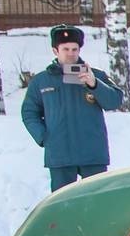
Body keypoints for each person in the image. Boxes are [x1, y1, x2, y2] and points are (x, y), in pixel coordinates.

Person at [21, 24, 124, 191]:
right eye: (66, 49)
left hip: (92, 153)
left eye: (75, 49)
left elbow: (115, 101)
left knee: (96, 201)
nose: (71, 54)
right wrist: (44, 137)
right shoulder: (41, 81)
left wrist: (94, 84)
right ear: (55, 50)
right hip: (60, 154)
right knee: (62, 204)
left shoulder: (95, 75)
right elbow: (29, 113)